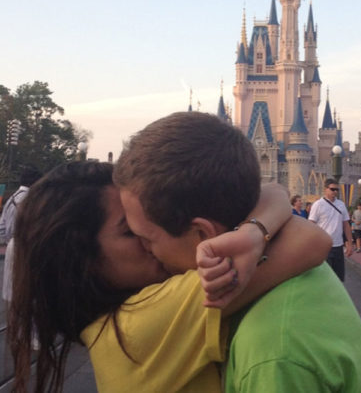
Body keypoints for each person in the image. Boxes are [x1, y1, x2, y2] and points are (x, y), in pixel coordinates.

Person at [115, 112, 361, 392]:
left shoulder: (273, 353)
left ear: (203, 234)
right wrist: (257, 230)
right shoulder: (285, 267)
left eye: (146, 239)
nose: (143, 251)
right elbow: (285, 205)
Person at [9, 162, 329, 393]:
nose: (154, 232)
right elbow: (309, 240)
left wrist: (254, 229)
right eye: (131, 231)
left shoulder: (106, 331)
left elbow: (273, 189)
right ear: (83, 262)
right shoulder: (139, 325)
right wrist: (254, 233)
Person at [0, 165, 41, 302]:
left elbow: (2, 226)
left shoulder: (12, 198)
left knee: (12, 291)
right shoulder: (29, 199)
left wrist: (8, 241)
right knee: (24, 292)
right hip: (24, 246)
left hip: (12, 245)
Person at [308, 178, 353, 281]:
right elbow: (311, 225)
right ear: (325, 189)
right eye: (332, 189)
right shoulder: (318, 205)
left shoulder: (341, 204)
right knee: (325, 279)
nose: (335, 192)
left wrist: (350, 244)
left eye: (337, 190)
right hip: (323, 246)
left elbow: (346, 225)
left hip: (338, 246)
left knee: (338, 278)